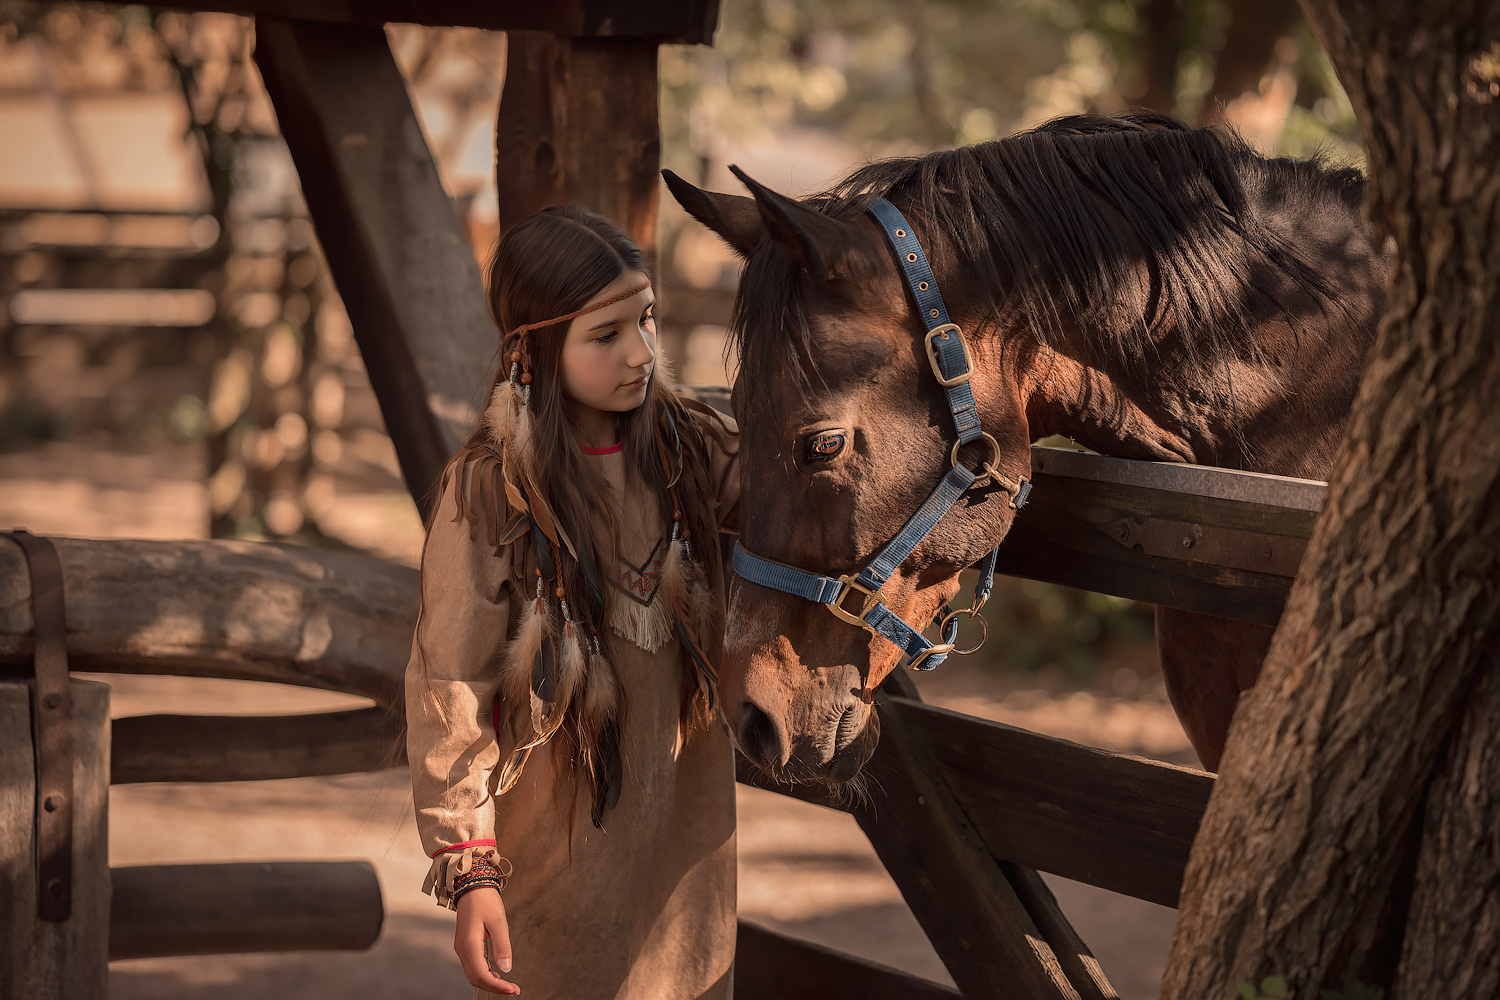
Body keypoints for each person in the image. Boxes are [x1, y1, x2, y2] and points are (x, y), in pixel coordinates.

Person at [404, 205, 740, 998]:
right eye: (606, 334)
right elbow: (451, 681)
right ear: (532, 347)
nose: (641, 352)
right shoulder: (491, 490)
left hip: (687, 848)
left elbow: (806, 501)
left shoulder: (694, 449)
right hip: (555, 848)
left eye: (647, 320)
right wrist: (469, 869)